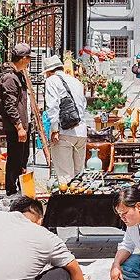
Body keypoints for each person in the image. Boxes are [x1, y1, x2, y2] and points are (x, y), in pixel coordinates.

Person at [43, 55, 89, 185]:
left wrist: (54, 130)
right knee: (79, 175)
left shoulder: (52, 81)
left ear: (49, 71)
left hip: (64, 132)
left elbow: (52, 106)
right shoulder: (76, 82)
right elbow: (83, 106)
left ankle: (68, 204)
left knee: (65, 176)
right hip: (81, 131)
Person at [0, 43, 32, 197]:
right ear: (23, 58)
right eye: (29, 58)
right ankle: (11, 190)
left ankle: (18, 187)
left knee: (22, 157)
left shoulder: (18, 75)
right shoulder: (10, 78)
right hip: (16, 127)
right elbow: (9, 105)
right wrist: (19, 127)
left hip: (23, 124)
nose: (30, 61)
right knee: (15, 158)